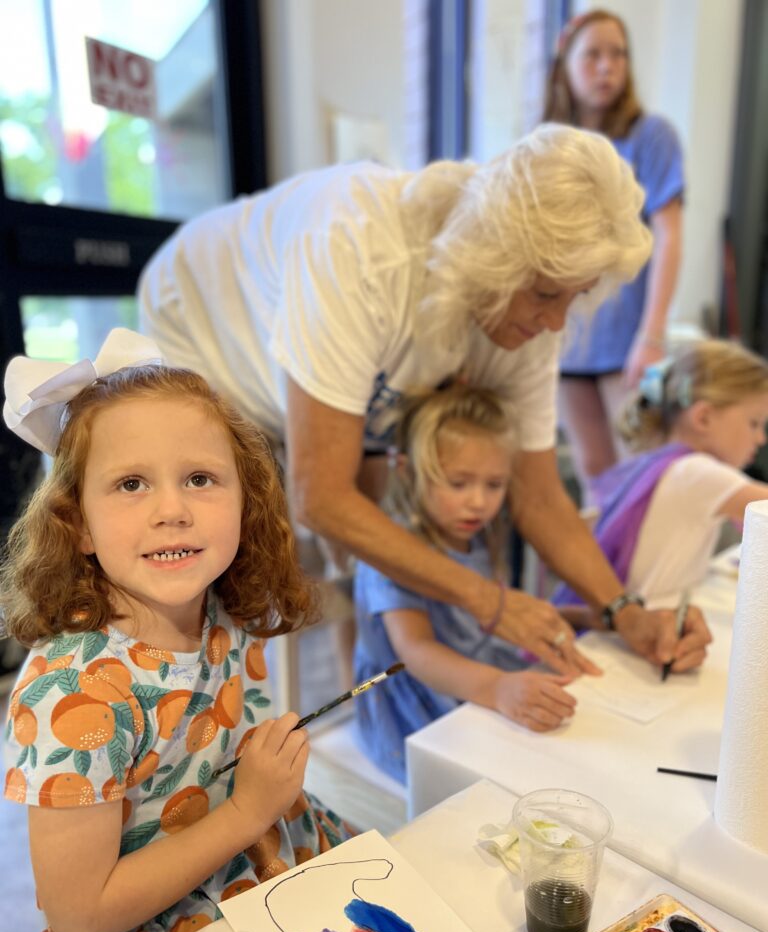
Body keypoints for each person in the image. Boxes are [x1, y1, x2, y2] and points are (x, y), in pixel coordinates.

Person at [138, 122, 710, 680]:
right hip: (201, 326)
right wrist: (490, 601)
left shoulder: (527, 311)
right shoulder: (357, 247)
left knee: (364, 558)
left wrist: (625, 612)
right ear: (494, 257)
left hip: (329, 347)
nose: (557, 321)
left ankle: (362, 702)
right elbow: (320, 497)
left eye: (575, 296)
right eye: (544, 294)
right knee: (238, 563)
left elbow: (538, 495)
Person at [1, 329, 351, 932]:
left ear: (245, 498)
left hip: (252, 855)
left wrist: (263, 808)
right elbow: (78, 914)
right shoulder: (76, 699)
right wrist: (249, 811)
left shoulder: (221, 602)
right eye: (131, 484)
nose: (173, 510)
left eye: (200, 478)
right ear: (77, 523)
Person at [354, 384, 577, 782]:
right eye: (458, 483)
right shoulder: (392, 551)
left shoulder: (482, 534)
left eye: (494, 485)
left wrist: (575, 616)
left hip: (474, 672)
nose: (478, 501)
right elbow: (415, 652)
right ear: (407, 471)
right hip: (415, 700)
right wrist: (498, 688)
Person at [544, 9, 685, 495]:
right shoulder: (550, 142)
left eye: (617, 54)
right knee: (592, 474)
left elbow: (669, 234)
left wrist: (652, 335)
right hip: (566, 337)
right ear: (565, 65)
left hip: (628, 341)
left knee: (639, 473)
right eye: (593, 55)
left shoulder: (651, 137)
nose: (606, 67)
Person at [554, 339, 768, 609]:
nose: (760, 439)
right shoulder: (698, 472)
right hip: (646, 625)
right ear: (703, 417)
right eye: (754, 423)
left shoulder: (664, 464)